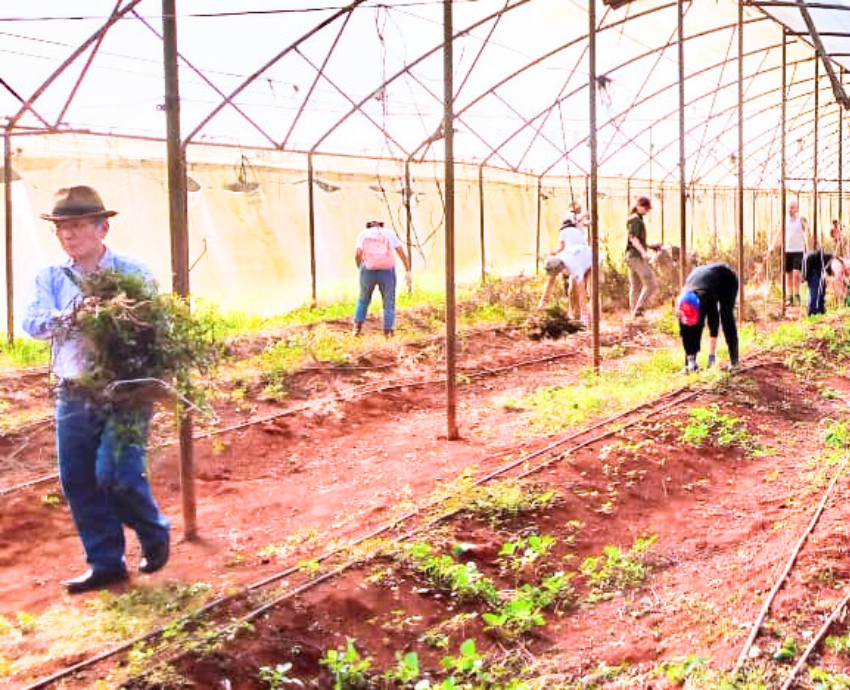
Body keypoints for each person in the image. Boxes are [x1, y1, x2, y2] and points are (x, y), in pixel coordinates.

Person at [22, 186, 170, 594]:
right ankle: (105, 562)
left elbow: (159, 326)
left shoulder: (133, 272)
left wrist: (124, 321)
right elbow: (32, 325)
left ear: (102, 228)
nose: (68, 235)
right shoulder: (50, 276)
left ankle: (153, 530)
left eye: (77, 226)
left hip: (126, 388)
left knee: (115, 473)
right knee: (79, 480)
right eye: (62, 228)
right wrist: (73, 314)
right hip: (74, 391)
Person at [675, 262, 740, 372]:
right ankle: (692, 362)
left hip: (727, 279)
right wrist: (690, 361)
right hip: (704, 280)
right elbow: (686, 332)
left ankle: (735, 361)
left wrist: (712, 355)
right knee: (691, 328)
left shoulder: (705, 298)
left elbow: (714, 321)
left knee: (726, 315)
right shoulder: (681, 306)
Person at [353, 219, 411, 337]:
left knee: (363, 299)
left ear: (368, 226)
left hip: (368, 270)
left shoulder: (363, 234)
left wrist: (360, 267)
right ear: (381, 225)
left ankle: (357, 328)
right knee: (389, 302)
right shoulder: (389, 233)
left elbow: (358, 254)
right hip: (387, 271)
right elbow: (400, 251)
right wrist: (407, 269)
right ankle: (388, 331)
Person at [537, 212, 593, 324]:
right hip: (582, 254)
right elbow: (550, 280)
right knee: (573, 290)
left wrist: (585, 315)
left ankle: (585, 316)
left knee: (580, 289)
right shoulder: (559, 259)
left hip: (588, 260)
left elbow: (581, 290)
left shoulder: (564, 233)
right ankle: (575, 315)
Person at [769, 200, 809, 307]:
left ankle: (797, 295)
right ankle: (790, 297)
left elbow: (807, 233)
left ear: (796, 209)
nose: (789, 210)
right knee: (788, 275)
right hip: (787, 251)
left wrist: (809, 244)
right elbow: (779, 234)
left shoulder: (801, 220)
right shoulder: (785, 221)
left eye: (792, 207)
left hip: (798, 251)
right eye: (788, 207)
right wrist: (773, 246)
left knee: (796, 274)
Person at [625, 195, 658, 318]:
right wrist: (644, 253)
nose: (648, 211)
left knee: (636, 286)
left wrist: (649, 246)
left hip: (632, 256)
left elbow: (638, 240)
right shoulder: (634, 220)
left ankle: (634, 315)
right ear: (639, 206)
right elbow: (633, 238)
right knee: (651, 283)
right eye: (646, 208)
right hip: (635, 256)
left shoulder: (637, 219)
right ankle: (639, 310)